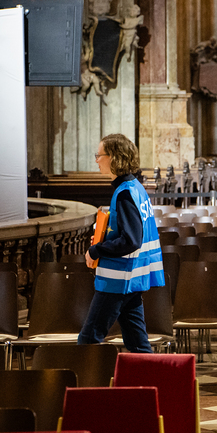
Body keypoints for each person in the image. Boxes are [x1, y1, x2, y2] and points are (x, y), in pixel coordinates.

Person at [78, 134, 165, 353]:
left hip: (118, 279)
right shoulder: (135, 187)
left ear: (114, 157)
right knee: (138, 345)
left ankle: (90, 378)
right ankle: (152, 377)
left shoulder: (125, 193)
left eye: (99, 155)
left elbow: (131, 240)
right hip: (131, 277)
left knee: (88, 340)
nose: (96, 160)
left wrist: (96, 249)